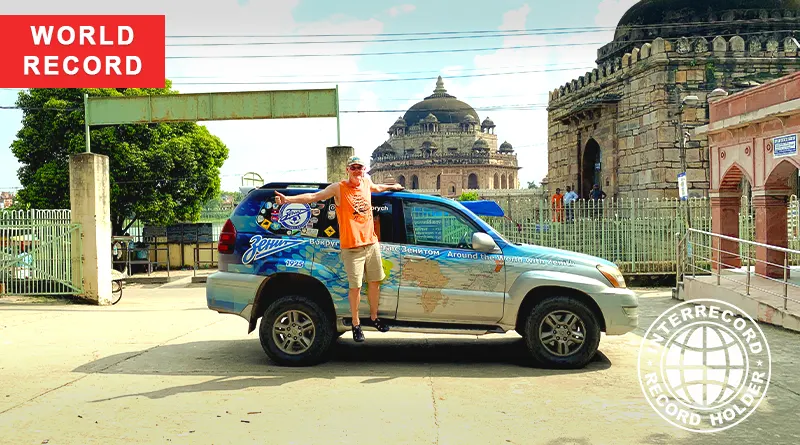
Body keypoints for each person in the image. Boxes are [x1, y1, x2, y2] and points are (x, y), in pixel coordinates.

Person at [274, 156, 404, 342]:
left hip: (371, 244)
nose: (357, 171)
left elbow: (378, 188)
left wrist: (393, 187)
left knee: (375, 282)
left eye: (360, 168)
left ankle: (374, 317)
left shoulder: (366, 182)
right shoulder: (339, 188)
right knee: (356, 287)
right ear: (347, 169)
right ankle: (356, 323)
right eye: (354, 168)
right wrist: (287, 200)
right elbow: (314, 197)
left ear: (364, 169)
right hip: (352, 247)